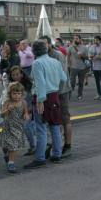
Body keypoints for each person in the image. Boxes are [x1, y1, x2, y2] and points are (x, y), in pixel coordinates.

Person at [24, 39, 67, 169]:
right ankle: (57, 154)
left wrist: (40, 100)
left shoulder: (37, 63)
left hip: (43, 97)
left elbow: (40, 83)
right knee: (55, 126)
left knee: (41, 128)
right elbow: (63, 78)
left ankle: (40, 158)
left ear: (34, 51)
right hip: (54, 95)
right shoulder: (55, 61)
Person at [0, 82, 29, 174]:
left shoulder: (23, 102)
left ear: (22, 94)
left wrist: (26, 115)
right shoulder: (7, 102)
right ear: (10, 94)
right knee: (6, 146)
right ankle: (6, 154)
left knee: (14, 146)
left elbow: (26, 112)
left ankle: (11, 163)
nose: (17, 96)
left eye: (19, 94)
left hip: (18, 127)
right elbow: (1, 114)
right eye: (14, 94)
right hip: (8, 127)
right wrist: (7, 110)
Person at [67, 36, 89, 101]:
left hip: (82, 67)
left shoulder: (84, 47)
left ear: (80, 39)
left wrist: (82, 56)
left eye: (76, 38)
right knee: (72, 82)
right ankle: (69, 94)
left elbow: (87, 57)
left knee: (81, 82)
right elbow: (68, 56)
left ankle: (80, 95)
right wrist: (69, 65)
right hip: (73, 67)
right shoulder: (71, 47)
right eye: (74, 38)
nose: (75, 40)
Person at [88, 36, 101, 100]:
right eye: (95, 40)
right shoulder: (92, 47)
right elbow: (90, 56)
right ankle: (99, 94)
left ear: (100, 41)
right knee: (97, 81)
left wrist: (96, 57)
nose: (95, 41)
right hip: (94, 66)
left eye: (97, 40)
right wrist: (96, 56)